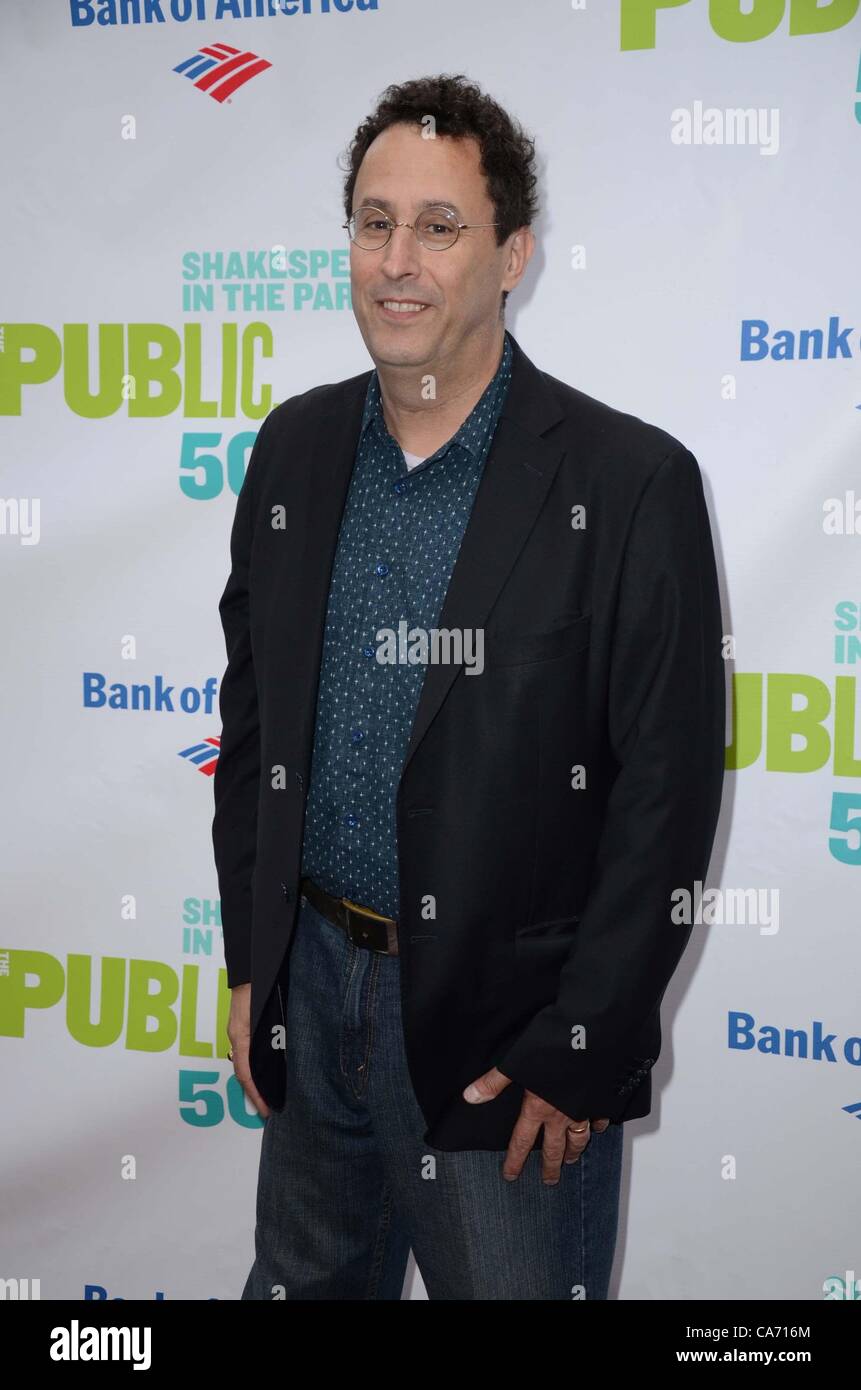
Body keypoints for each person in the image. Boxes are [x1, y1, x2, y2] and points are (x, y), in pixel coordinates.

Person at [212, 73, 725, 1301]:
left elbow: (665, 792)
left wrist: (583, 1042)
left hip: (507, 1044)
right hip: (313, 992)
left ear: (511, 256)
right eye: (374, 222)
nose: (399, 260)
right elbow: (254, 718)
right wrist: (254, 959)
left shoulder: (630, 480)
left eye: (439, 227)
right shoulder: (294, 444)